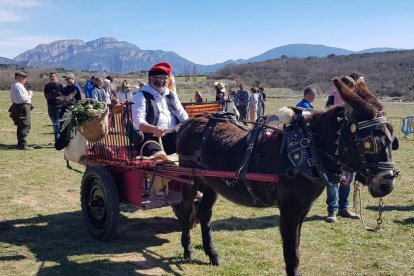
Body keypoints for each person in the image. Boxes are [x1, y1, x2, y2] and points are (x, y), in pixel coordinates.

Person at [131, 62, 188, 158]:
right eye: (162, 78)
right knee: (159, 157)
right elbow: (138, 122)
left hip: (173, 136)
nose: (165, 81)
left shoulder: (171, 95)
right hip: (150, 139)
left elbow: (182, 114)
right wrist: (154, 129)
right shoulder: (141, 96)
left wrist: (187, 124)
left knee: (191, 149)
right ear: (152, 79)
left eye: (166, 78)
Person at [325, 75, 360, 223]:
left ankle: (343, 208)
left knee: (348, 178)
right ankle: (332, 210)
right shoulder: (332, 98)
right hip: (334, 144)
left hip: (350, 146)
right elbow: (326, 117)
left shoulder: (356, 101)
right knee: (333, 179)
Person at [10, 71, 34, 150]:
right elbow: (23, 99)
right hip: (23, 106)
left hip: (18, 106)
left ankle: (20, 143)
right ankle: (22, 144)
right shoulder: (18, 86)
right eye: (23, 77)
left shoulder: (15, 85)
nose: (25, 79)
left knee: (21, 125)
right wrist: (30, 94)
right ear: (18, 77)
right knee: (24, 125)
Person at [43, 72, 64, 140]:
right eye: (50, 76)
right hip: (50, 106)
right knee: (54, 122)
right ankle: (58, 138)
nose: (52, 78)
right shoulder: (47, 86)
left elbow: (64, 95)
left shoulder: (60, 85)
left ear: (56, 77)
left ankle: (58, 139)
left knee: (57, 123)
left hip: (58, 107)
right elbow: (46, 95)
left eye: (53, 76)